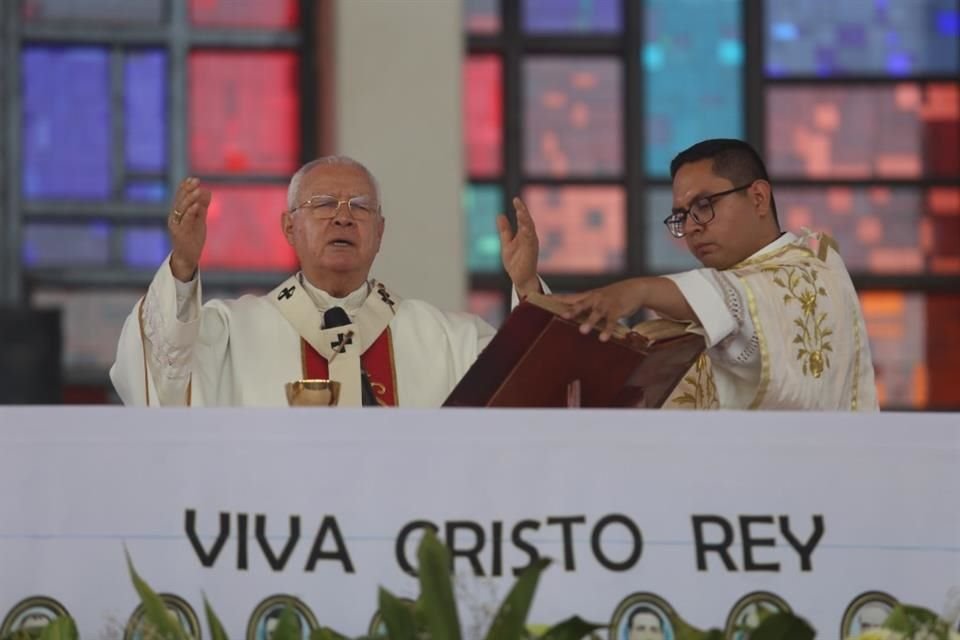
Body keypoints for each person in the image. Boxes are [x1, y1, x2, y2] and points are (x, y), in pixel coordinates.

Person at [111, 156, 541, 407]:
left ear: (380, 231)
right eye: (321, 204)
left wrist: (527, 291)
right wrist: (183, 266)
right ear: (288, 227)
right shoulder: (230, 333)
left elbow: (529, 393)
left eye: (359, 206)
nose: (342, 216)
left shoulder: (449, 340)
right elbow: (161, 375)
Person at [554, 138, 878, 410]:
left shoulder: (811, 275)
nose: (693, 226)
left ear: (758, 198)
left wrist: (637, 291)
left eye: (704, 205)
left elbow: (737, 295)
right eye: (682, 215)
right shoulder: (711, 305)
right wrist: (528, 288)